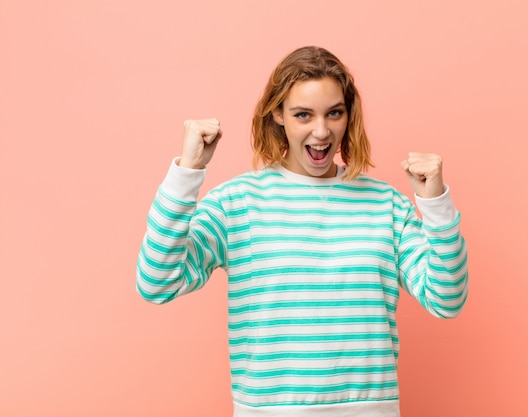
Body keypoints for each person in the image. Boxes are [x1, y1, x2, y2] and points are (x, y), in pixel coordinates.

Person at [136, 46, 468, 417]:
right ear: (278, 114)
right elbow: (156, 283)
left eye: (334, 113)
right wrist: (186, 174)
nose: (322, 131)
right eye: (303, 115)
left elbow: (447, 299)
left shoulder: (385, 204)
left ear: (348, 115)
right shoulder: (236, 202)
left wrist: (436, 204)